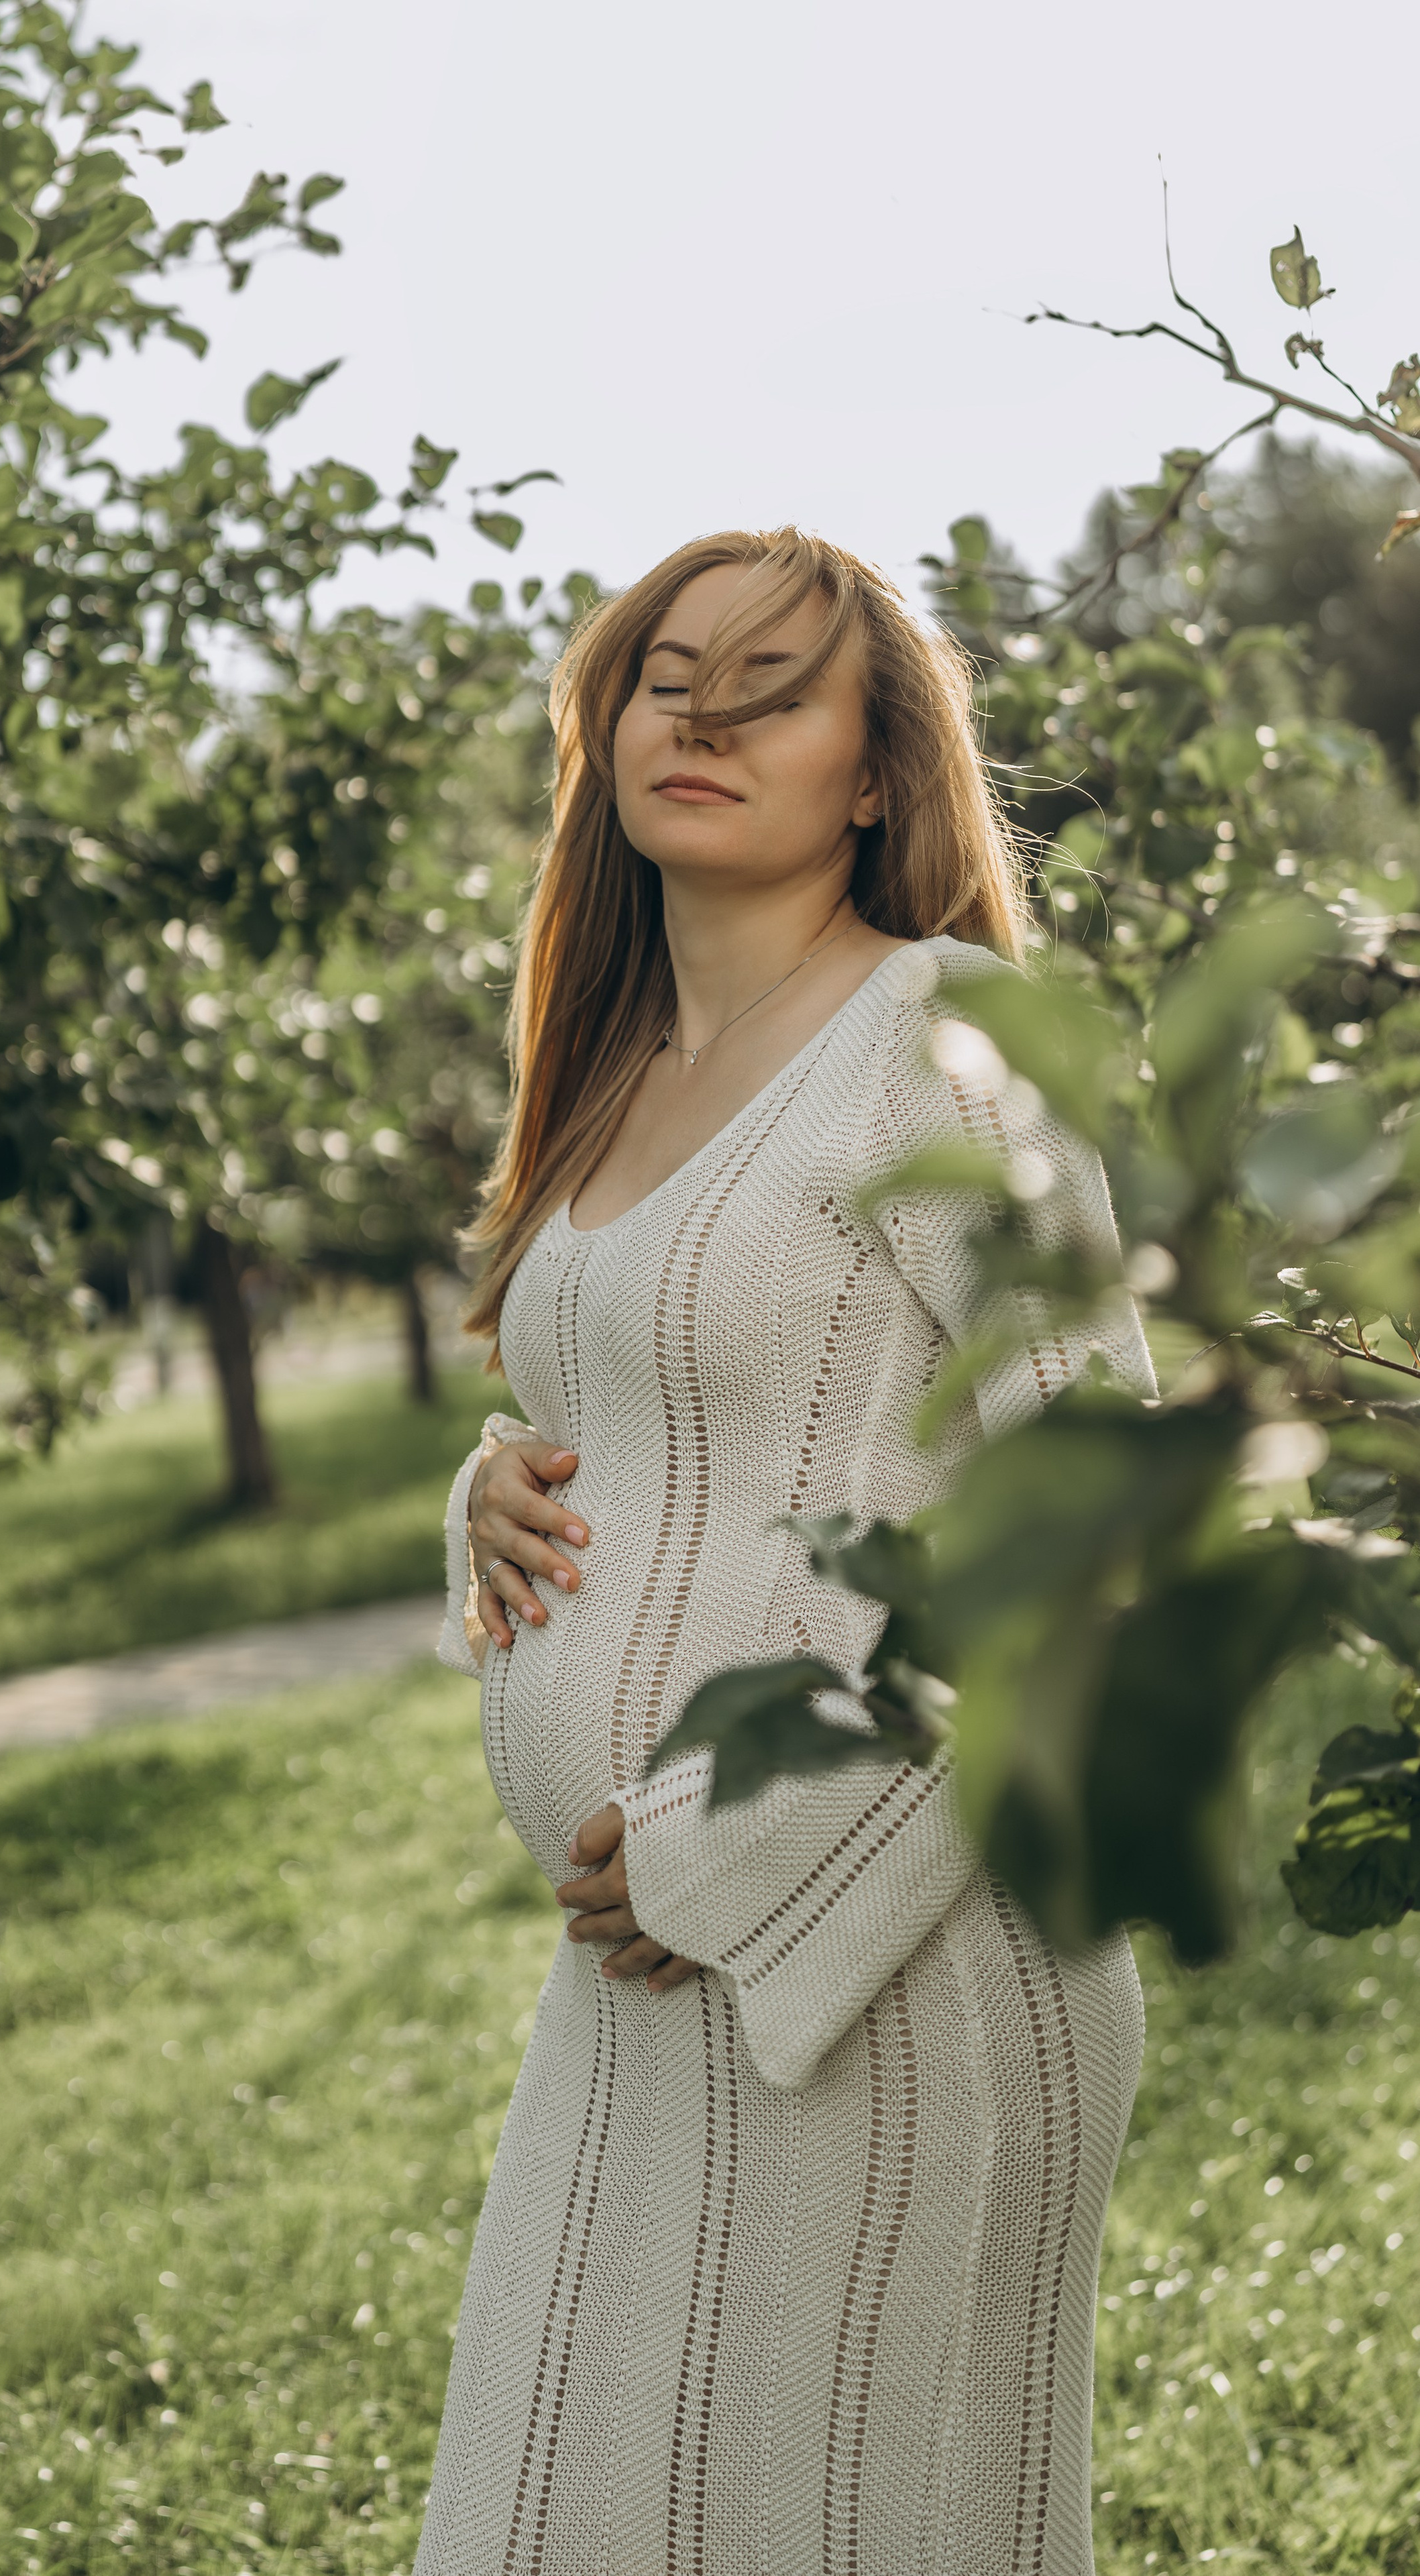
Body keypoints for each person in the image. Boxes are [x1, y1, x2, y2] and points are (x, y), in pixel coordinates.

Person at [418, 527, 1154, 2576]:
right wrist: (481, 1495)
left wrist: (739, 1842)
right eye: (669, 670)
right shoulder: (612, 1071)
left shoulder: (950, 1034)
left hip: (902, 1953)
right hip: (645, 1972)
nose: (706, 713)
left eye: (775, 682)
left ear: (876, 776)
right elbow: (683, 1412)